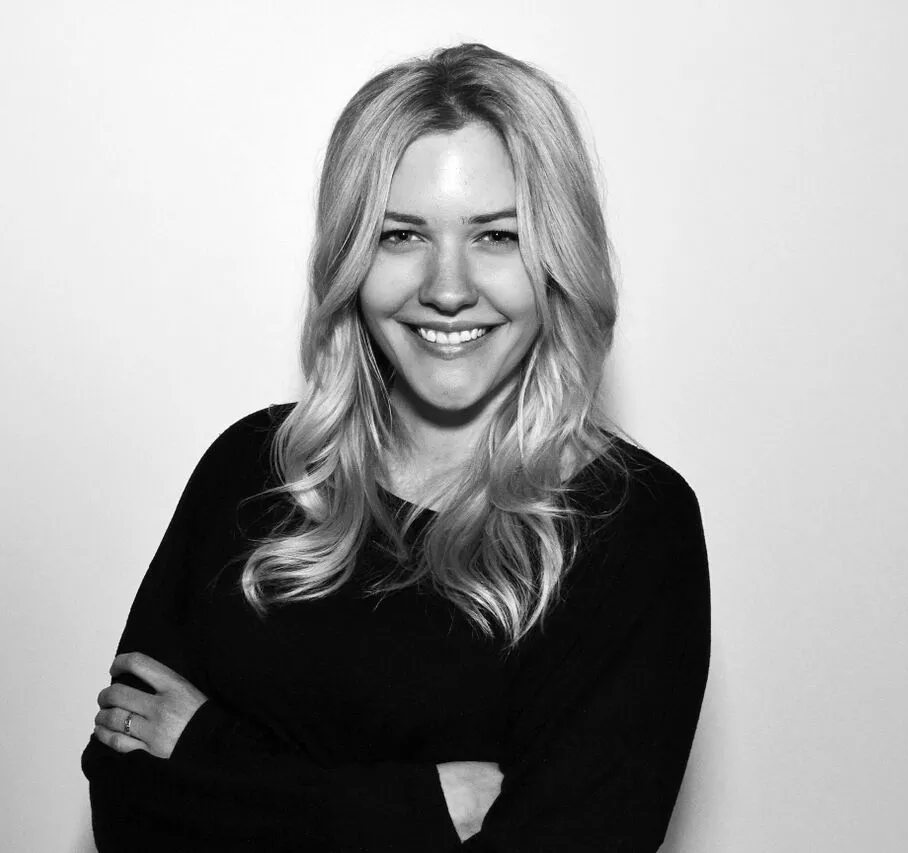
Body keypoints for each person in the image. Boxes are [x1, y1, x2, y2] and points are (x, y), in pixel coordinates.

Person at [82, 42, 710, 852]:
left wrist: (209, 758)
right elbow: (126, 811)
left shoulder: (636, 527)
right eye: (402, 235)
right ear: (351, 256)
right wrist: (422, 809)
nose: (447, 288)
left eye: (497, 236)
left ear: (559, 257)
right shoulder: (249, 469)